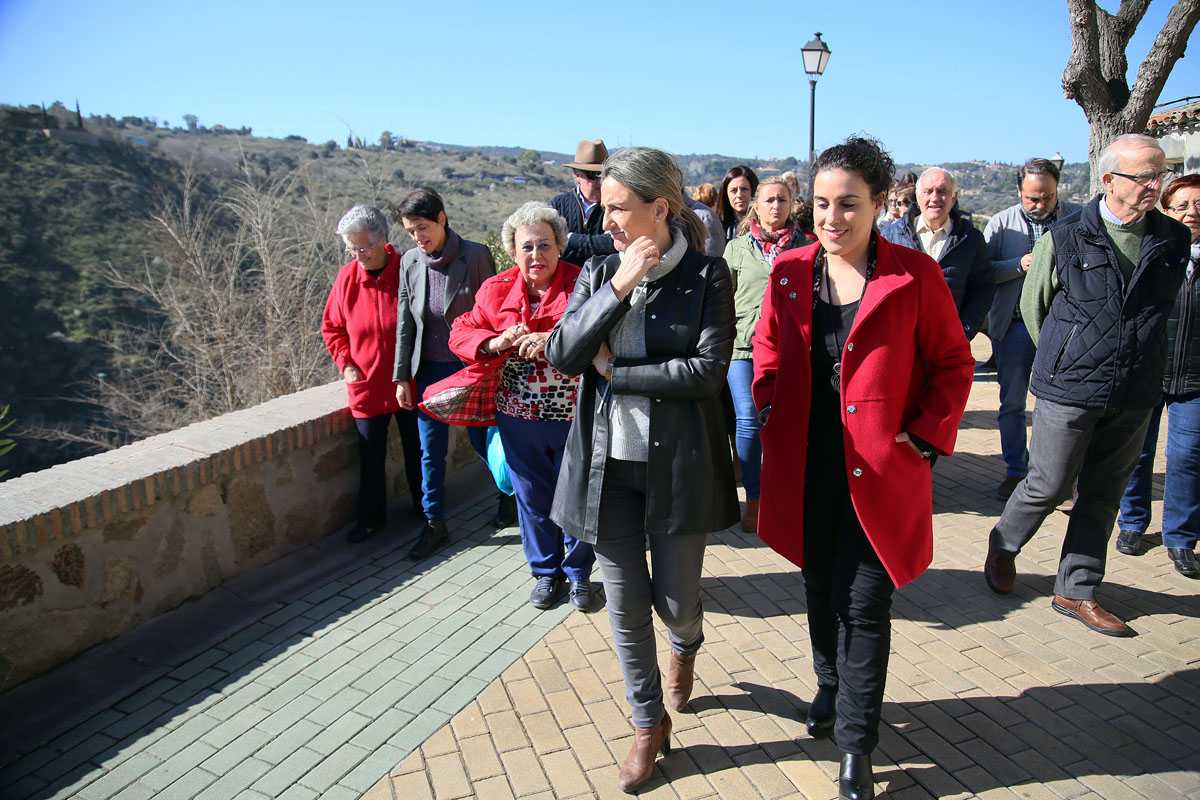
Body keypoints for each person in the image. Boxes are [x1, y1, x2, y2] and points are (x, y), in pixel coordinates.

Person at [753, 136, 974, 800]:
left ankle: (857, 746)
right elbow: (766, 351)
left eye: (848, 204)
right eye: (820, 204)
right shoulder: (790, 272)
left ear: (881, 204)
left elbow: (953, 366)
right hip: (805, 466)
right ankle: (828, 681)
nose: (831, 218)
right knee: (819, 587)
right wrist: (767, 406)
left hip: (880, 473)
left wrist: (923, 437)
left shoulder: (915, 275)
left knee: (863, 604)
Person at [546, 146, 738, 794]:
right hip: (607, 472)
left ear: (661, 208)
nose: (607, 225)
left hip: (679, 470)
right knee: (627, 608)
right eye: (602, 210)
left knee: (676, 603)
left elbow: (706, 372)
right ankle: (646, 723)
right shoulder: (600, 268)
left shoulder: (710, 278)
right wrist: (620, 285)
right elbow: (563, 353)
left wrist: (616, 371)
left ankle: (687, 645)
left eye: (619, 210)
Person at [983, 135, 1190, 637]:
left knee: (1103, 492)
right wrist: (1069, 355)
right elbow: (1035, 308)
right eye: (1143, 176)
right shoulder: (1067, 235)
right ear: (1109, 181)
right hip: (1069, 387)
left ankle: (1076, 589)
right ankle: (1004, 544)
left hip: (1136, 388)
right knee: (1048, 484)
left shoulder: (1172, 239)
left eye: (1158, 175)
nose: (1153, 186)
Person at [442, 202, 596, 608]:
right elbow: (461, 332)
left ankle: (579, 573)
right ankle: (546, 573)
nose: (536, 255)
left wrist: (555, 340)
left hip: (573, 416)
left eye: (544, 245)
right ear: (512, 250)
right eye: (526, 247)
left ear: (560, 246)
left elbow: (601, 333)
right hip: (518, 417)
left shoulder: (583, 283)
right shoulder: (495, 289)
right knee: (532, 498)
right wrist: (494, 342)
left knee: (576, 494)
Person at [393, 188, 497, 560]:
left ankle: (508, 498)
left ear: (441, 218)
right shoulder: (409, 262)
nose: (418, 238)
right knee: (430, 450)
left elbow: (494, 312)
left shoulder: (475, 255)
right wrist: (401, 376)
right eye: (410, 232)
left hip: (469, 368)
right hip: (429, 370)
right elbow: (406, 321)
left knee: (483, 442)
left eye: (422, 228)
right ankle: (434, 522)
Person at [1115, 173, 1200, 578]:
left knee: (1187, 458)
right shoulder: (1152, 252)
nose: (1191, 212)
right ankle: (1131, 522)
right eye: (1182, 205)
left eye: (1198, 204)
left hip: (1196, 379)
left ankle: (1181, 538)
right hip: (1147, 371)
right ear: (1166, 210)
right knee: (1137, 453)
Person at [321, 205, 422, 543]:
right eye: (351, 248)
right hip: (366, 384)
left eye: (363, 247)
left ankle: (427, 511)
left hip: (408, 381)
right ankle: (371, 519)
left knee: (416, 449)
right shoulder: (346, 279)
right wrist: (346, 363)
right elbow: (332, 327)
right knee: (370, 454)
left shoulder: (408, 268)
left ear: (383, 240)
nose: (358, 255)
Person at [983, 159, 1082, 501]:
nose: (1040, 206)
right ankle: (1016, 472)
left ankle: (1056, 477)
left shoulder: (1078, 217)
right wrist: (1018, 266)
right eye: (1032, 199)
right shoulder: (999, 224)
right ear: (1019, 192)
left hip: (1064, 329)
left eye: (1048, 198)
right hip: (1013, 327)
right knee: (1012, 403)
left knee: (1059, 407)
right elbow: (983, 273)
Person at [724, 177, 805, 533]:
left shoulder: (808, 247)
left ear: (792, 205)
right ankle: (754, 497)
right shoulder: (737, 248)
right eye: (769, 199)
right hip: (743, 348)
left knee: (786, 423)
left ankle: (783, 495)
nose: (776, 206)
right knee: (748, 418)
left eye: (783, 200)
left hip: (791, 348)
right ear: (756, 205)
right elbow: (723, 299)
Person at [881, 167, 995, 340]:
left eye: (942, 191)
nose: (935, 198)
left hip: (948, 345)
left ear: (954, 197)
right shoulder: (890, 237)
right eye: (928, 191)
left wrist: (963, 333)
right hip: (900, 343)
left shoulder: (971, 239)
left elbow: (982, 289)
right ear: (918, 196)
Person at [550, 139, 615, 266]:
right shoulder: (558, 204)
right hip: (566, 282)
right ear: (576, 175)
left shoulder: (617, 206)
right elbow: (549, 245)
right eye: (592, 174)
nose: (599, 181)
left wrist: (570, 239)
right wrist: (597, 244)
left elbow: (614, 244)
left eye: (603, 175)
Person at [717, 165, 759, 243]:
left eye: (744, 189)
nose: (739, 195)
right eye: (733, 190)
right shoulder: (717, 225)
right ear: (726, 194)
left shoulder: (765, 226)